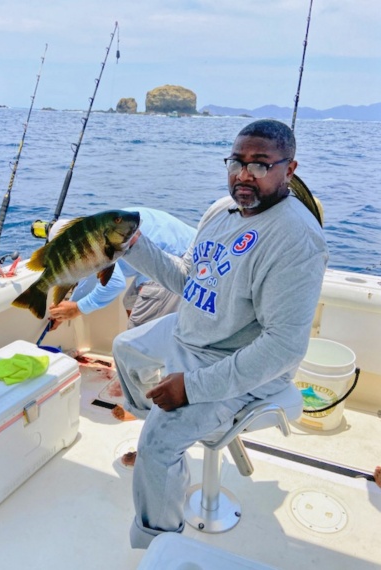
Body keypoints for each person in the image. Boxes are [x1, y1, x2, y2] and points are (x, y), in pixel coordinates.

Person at [111, 119, 329, 548]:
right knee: (125, 349)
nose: (244, 174)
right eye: (236, 162)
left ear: (290, 169)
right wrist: (136, 246)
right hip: (195, 331)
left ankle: (161, 544)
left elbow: (283, 347)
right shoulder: (220, 210)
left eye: (261, 165)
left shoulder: (297, 240)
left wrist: (191, 388)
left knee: (157, 444)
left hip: (240, 360)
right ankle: (161, 448)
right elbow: (190, 280)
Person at [47, 207, 196, 419]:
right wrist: (68, 307)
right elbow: (91, 278)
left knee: (134, 344)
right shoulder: (99, 227)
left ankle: (145, 405)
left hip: (179, 264)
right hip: (180, 255)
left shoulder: (101, 240)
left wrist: (77, 309)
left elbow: (113, 284)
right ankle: (152, 375)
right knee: (131, 302)